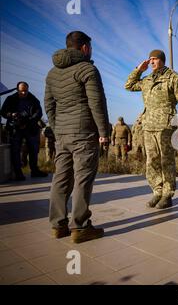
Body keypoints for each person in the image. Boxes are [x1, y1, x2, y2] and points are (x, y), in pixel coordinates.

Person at [45, 31, 109, 243]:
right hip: (84, 133)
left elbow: (49, 106)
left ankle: (58, 225)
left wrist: (57, 128)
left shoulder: (52, 73)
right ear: (84, 47)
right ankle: (80, 227)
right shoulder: (87, 69)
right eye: (90, 46)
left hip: (62, 134)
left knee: (61, 178)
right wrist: (103, 132)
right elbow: (96, 103)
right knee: (82, 178)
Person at [125, 49, 178, 209]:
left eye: (154, 59)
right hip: (148, 125)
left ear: (162, 60)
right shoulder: (147, 79)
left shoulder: (174, 77)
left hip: (166, 126)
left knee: (166, 161)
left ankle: (167, 194)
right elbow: (129, 85)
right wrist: (139, 70)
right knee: (152, 161)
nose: (151, 62)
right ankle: (157, 191)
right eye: (150, 59)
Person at [1, 81, 47, 181]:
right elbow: (3, 111)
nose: (23, 93)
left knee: (34, 150)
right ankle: (18, 173)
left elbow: (39, 113)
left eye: (25, 91)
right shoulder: (10, 99)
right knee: (15, 151)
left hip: (30, 128)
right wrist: (11, 114)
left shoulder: (33, 99)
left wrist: (29, 121)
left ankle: (34, 171)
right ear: (17, 90)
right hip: (15, 129)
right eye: (21, 91)